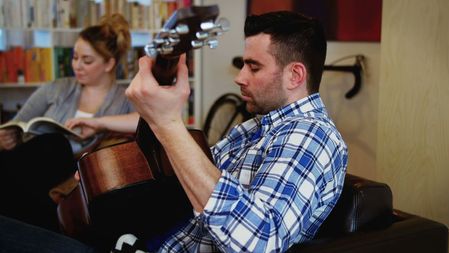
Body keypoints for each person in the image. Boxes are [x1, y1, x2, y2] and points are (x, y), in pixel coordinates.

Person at [0, 10, 348, 253]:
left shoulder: (310, 136)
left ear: (295, 76)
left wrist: (169, 123)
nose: (240, 77)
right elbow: (182, 184)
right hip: (135, 236)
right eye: (243, 64)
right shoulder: (254, 127)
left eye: (253, 66)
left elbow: (259, 241)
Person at [0, 13, 138, 232]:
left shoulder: (125, 99)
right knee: (49, 145)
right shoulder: (58, 87)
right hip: (28, 170)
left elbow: (145, 121)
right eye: (75, 57)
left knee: (56, 145)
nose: (77, 66)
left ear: (109, 63)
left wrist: (100, 123)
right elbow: (17, 125)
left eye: (87, 60)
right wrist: (7, 138)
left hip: (69, 177)